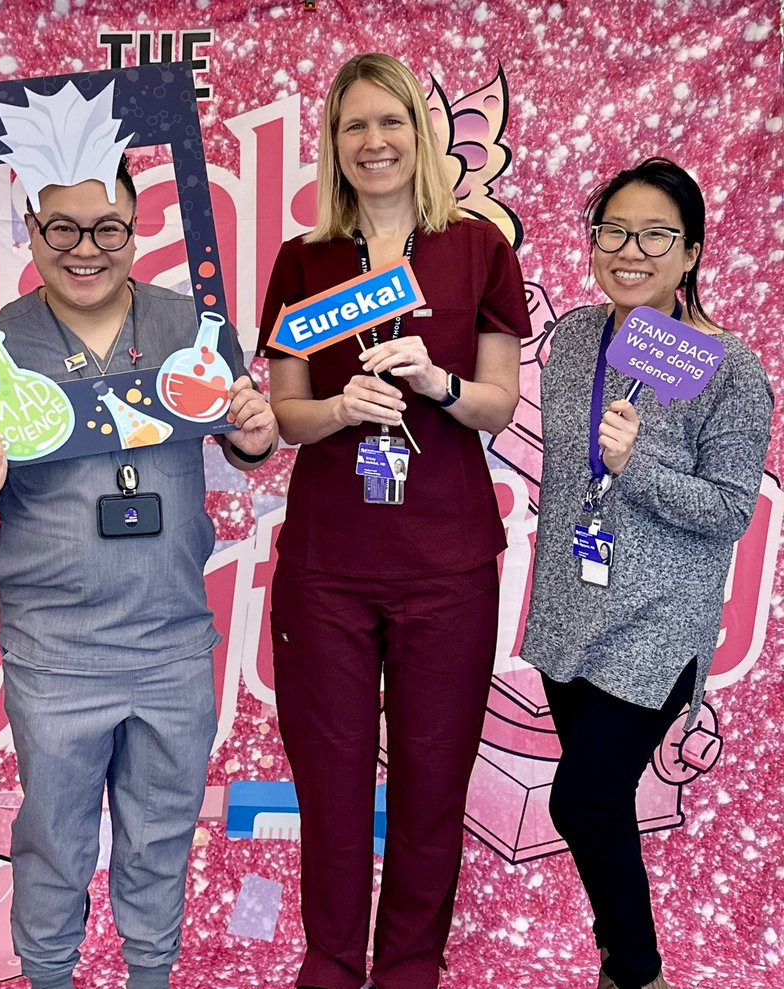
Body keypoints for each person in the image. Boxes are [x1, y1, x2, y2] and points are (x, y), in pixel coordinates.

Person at [0, 155, 277, 989]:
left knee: (161, 838)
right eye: (62, 229)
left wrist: (257, 430)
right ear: (32, 231)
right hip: (55, 651)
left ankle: (150, 975)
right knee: (55, 840)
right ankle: (49, 975)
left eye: (108, 228)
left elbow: (245, 442)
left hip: (172, 642)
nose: (86, 248)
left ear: (135, 226)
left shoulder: (189, 326)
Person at [256, 53, 530, 989]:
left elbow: (497, 405)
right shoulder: (304, 261)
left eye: (390, 123)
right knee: (330, 791)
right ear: (332, 146)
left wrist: (437, 384)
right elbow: (284, 413)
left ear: (422, 133)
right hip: (328, 568)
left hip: (448, 564)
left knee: (430, 788)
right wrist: (343, 410)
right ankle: (330, 969)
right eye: (353, 126)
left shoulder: (478, 250)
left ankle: (411, 968)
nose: (373, 142)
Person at [521, 158, 772, 989]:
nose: (631, 250)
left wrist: (639, 467)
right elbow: (562, 475)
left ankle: (637, 974)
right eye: (614, 232)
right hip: (571, 606)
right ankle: (622, 967)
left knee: (581, 799)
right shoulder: (576, 340)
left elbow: (733, 510)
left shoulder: (728, 367)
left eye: (656, 234)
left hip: (657, 623)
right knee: (603, 802)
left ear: (692, 251)